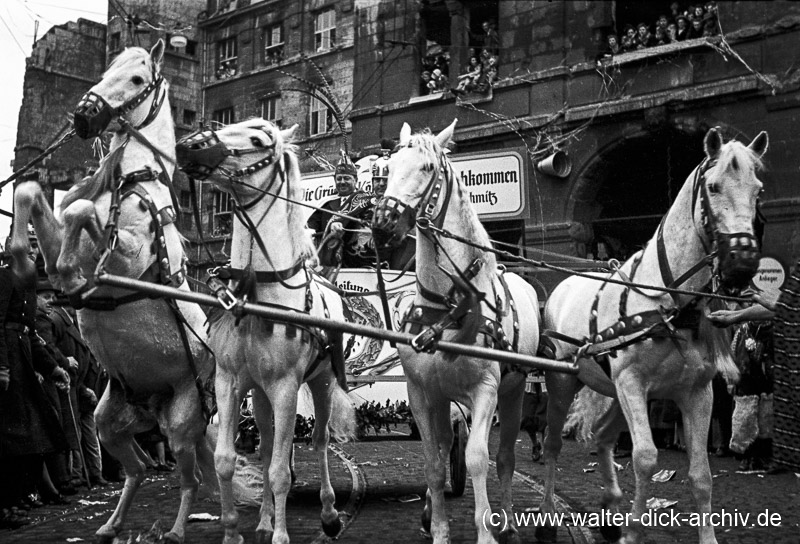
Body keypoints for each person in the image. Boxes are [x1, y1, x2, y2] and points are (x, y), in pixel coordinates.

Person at [0, 244, 70, 529]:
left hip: (23, 362)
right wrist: (2, 366)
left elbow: (29, 336)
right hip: (10, 365)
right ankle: (5, 504)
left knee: (30, 437)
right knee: (10, 439)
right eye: (28, 253)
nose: (34, 257)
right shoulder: (4, 278)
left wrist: (52, 368)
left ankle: (15, 498)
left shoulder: (26, 286)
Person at [709, 284, 800, 472]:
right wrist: (734, 316)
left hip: (769, 378)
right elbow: (785, 308)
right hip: (749, 380)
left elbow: (786, 309)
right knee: (748, 419)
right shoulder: (744, 330)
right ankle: (752, 456)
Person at [36, 279, 107, 487]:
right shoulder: (55, 321)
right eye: (47, 297)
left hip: (81, 383)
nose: (52, 301)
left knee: (85, 431)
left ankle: (91, 473)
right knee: (72, 431)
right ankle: (76, 475)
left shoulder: (76, 324)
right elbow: (49, 348)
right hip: (69, 384)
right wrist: (65, 363)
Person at [307, 151, 374, 271]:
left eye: (347, 178)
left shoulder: (366, 201)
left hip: (357, 266)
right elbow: (310, 229)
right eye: (339, 179)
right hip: (329, 266)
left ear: (356, 179)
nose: (342, 182)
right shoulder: (326, 204)